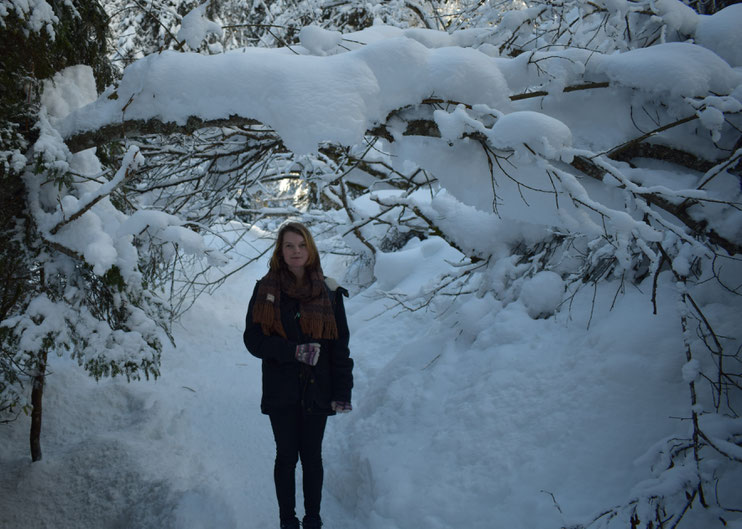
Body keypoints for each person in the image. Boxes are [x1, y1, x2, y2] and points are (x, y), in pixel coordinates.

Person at [243, 221, 354, 529]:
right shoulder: (265, 290)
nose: (296, 251)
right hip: (282, 390)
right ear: (280, 250)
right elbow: (253, 340)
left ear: (311, 249)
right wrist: (291, 351)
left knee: (313, 458)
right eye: (289, 245)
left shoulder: (330, 292)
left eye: (301, 245)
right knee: (287, 456)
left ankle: (313, 520)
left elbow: (340, 348)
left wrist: (342, 392)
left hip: (319, 388)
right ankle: (288, 521)